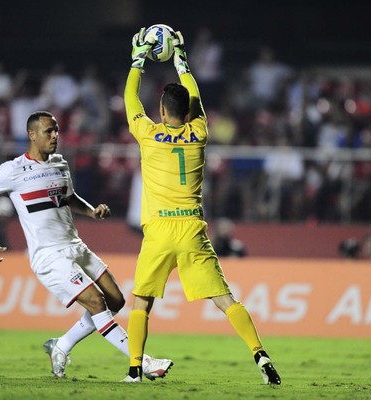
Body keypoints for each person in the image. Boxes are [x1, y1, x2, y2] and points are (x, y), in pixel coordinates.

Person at [122, 28, 282, 385]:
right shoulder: (201, 132)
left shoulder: (147, 134)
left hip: (160, 231)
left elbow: (130, 98)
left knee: (142, 303)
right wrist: (181, 59)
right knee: (226, 300)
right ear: (191, 111)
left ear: (161, 111)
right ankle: (261, 355)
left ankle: (135, 369)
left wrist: (138, 59)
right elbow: (194, 95)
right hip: (193, 229)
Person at [0, 111, 172, 380]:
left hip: (75, 244)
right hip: (48, 255)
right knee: (96, 303)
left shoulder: (60, 163)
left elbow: (68, 197)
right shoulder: (13, 170)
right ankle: (143, 362)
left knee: (116, 300)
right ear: (32, 135)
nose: (55, 136)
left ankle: (61, 345)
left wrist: (91, 212)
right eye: (48, 131)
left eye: (56, 130)